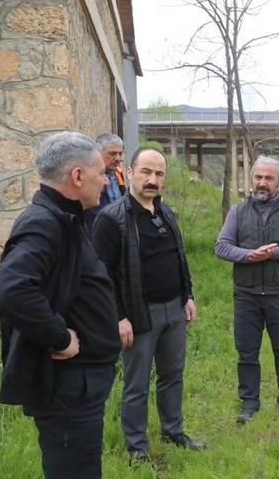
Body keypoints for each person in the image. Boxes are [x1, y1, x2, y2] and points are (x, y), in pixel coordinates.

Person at [0, 131, 120, 478]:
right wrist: (59, 337)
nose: (106, 179)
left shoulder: (66, 218)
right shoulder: (44, 222)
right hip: (67, 386)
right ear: (77, 177)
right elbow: (12, 288)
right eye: (100, 172)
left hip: (81, 384)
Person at [92, 147, 203, 461]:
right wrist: (119, 317)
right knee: (137, 384)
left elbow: (179, 258)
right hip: (138, 315)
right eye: (146, 172)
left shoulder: (166, 212)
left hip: (174, 310)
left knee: (173, 375)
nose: (152, 180)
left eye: (159, 174)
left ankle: (173, 431)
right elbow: (103, 276)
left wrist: (188, 296)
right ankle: (137, 448)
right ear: (129, 172)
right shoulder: (111, 219)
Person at [214, 156, 279, 424]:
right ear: (252, 179)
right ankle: (249, 404)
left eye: (268, 178)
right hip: (246, 294)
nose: (262, 183)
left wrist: (274, 253)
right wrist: (249, 255)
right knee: (247, 353)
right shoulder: (237, 211)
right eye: (258, 177)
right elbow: (221, 246)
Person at [84, 133, 125, 228]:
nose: (118, 158)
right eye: (112, 154)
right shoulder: (87, 176)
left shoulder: (118, 173)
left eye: (120, 153)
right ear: (97, 153)